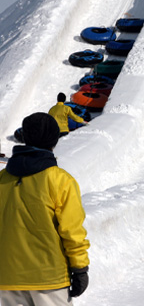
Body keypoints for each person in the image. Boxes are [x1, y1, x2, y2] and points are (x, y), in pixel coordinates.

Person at [0, 113, 90, 305]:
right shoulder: (60, 180)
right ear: (54, 140)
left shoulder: (2, 179)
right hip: (49, 278)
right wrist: (80, 268)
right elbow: (72, 231)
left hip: (7, 277)